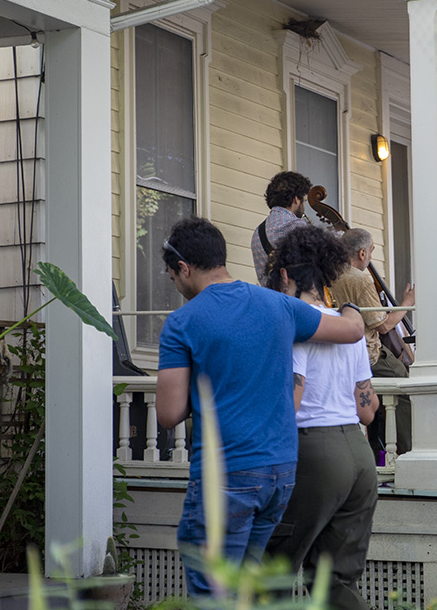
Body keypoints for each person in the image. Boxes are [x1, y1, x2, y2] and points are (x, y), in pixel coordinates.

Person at [155, 216, 365, 596]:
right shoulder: (279, 306)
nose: (175, 284)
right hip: (280, 474)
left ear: (183, 268)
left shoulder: (181, 322)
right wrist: (351, 306)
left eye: (172, 276)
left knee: (213, 592)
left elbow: (168, 414)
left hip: (227, 473)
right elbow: (350, 331)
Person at [263, 226, 380, 610]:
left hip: (315, 454)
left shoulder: (295, 324)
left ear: (284, 274)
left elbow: (291, 400)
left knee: (272, 574)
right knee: (334, 583)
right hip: (359, 459)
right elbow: (368, 409)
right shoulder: (350, 328)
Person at [329, 228, 415, 379]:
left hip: (338, 352)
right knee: (403, 379)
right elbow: (383, 326)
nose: (370, 257)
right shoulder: (360, 280)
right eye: (371, 251)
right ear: (362, 253)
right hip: (366, 355)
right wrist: (407, 302)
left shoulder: (329, 274)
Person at [252, 170, 312, 286]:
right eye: (304, 201)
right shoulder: (297, 226)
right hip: (296, 300)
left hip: (270, 300)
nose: (304, 206)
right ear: (296, 199)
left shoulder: (257, 233)